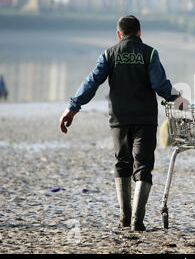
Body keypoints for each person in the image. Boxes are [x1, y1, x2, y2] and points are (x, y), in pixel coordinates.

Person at [59, 15, 187, 232]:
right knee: (143, 167)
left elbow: (92, 82)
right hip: (145, 120)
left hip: (118, 120)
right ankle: (138, 220)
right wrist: (176, 97)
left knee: (122, 164)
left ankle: (124, 218)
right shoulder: (150, 53)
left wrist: (72, 107)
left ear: (118, 34)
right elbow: (159, 84)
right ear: (139, 33)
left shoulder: (109, 54)